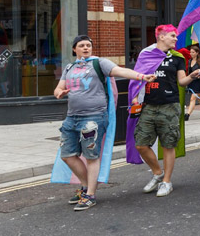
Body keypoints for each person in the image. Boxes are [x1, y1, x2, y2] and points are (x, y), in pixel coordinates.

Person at [53, 35, 156, 211]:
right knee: (67, 155)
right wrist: (59, 92)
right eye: (82, 45)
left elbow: (120, 71)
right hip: (72, 117)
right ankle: (86, 187)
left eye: (88, 45)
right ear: (74, 49)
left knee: (91, 156)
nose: (86, 48)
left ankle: (90, 195)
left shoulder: (99, 63)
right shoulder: (70, 67)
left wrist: (141, 76)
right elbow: (58, 88)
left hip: (93, 117)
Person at [133, 25, 200, 197]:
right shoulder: (146, 56)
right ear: (161, 37)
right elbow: (137, 79)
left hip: (170, 105)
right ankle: (157, 172)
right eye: (172, 36)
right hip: (148, 105)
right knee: (141, 144)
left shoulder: (177, 58)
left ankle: (166, 181)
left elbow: (182, 81)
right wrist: (134, 96)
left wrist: (191, 76)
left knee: (168, 144)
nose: (175, 39)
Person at [184, 45, 200, 121]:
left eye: (193, 52)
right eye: (190, 52)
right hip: (192, 82)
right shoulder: (189, 61)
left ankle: (187, 114)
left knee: (193, 98)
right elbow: (189, 72)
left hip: (199, 82)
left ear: (197, 53)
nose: (191, 53)